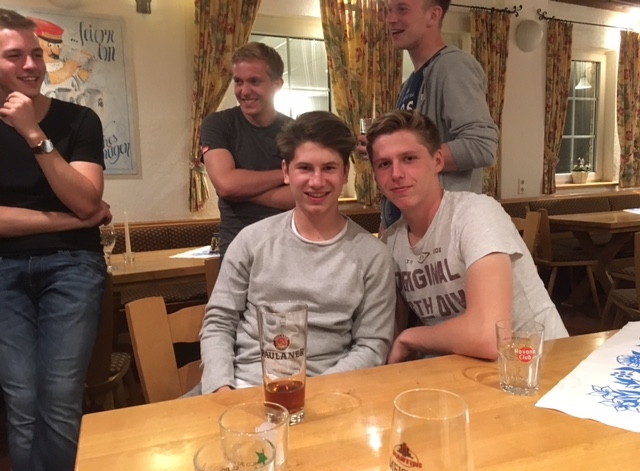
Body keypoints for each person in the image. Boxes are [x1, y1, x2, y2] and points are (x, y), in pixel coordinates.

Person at [199, 111, 396, 394]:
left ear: (345, 173)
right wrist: (220, 387)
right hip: (240, 388)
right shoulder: (252, 240)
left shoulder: (372, 255)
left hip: (330, 393)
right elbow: (219, 322)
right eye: (305, 168)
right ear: (285, 172)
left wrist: (313, 394)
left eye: (329, 168)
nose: (316, 181)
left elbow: (372, 345)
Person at [0, 9, 110, 471]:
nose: (31, 65)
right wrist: (71, 220)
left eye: (36, 54)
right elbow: (83, 211)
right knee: (22, 399)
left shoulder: (79, 120)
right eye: (14, 56)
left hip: (73, 265)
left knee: (61, 395)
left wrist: (33, 133)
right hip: (4, 268)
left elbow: (87, 198)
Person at [366, 110, 568, 363]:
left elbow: (490, 337)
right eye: (384, 164)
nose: (396, 173)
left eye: (409, 158)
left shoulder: (475, 213)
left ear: (437, 161)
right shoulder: (391, 243)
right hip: (461, 371)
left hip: (540, 366)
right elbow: (388, 332)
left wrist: (411, 337)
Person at [378, 0, 499, 229]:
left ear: (433, 16)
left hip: (443, 233)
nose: (390, 19)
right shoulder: (409, 84)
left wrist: (407, 157)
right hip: (406, 232)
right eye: (388, 10)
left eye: (402, 9)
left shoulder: (453, 66)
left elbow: (482, 146)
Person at [201, 42, 295, 257]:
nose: (244, 91)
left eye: (254, 81)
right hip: (237, 247)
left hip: (288, 246)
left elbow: (298, 196)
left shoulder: (295, 130)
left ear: (277, 84)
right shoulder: (218, 124)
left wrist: (240, 191)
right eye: (238, 81)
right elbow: (226, 185)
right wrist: (286, 174)